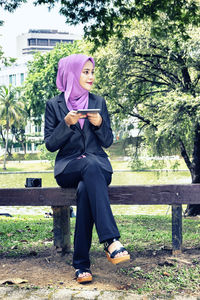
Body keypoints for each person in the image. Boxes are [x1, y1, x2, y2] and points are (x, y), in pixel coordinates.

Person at [44, 54, 130, 284]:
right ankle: (111, 240)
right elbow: (50, 144)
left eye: (92, 71)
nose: (91, 76)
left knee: (85, 189)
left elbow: (108, 141)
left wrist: (99, 124)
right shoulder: (54, 105)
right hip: (68, 167)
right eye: (85, 72)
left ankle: (81, 265)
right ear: (71, 73)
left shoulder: (98, 102)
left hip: (98, 167)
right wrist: (66, 124)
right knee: (87, 166)